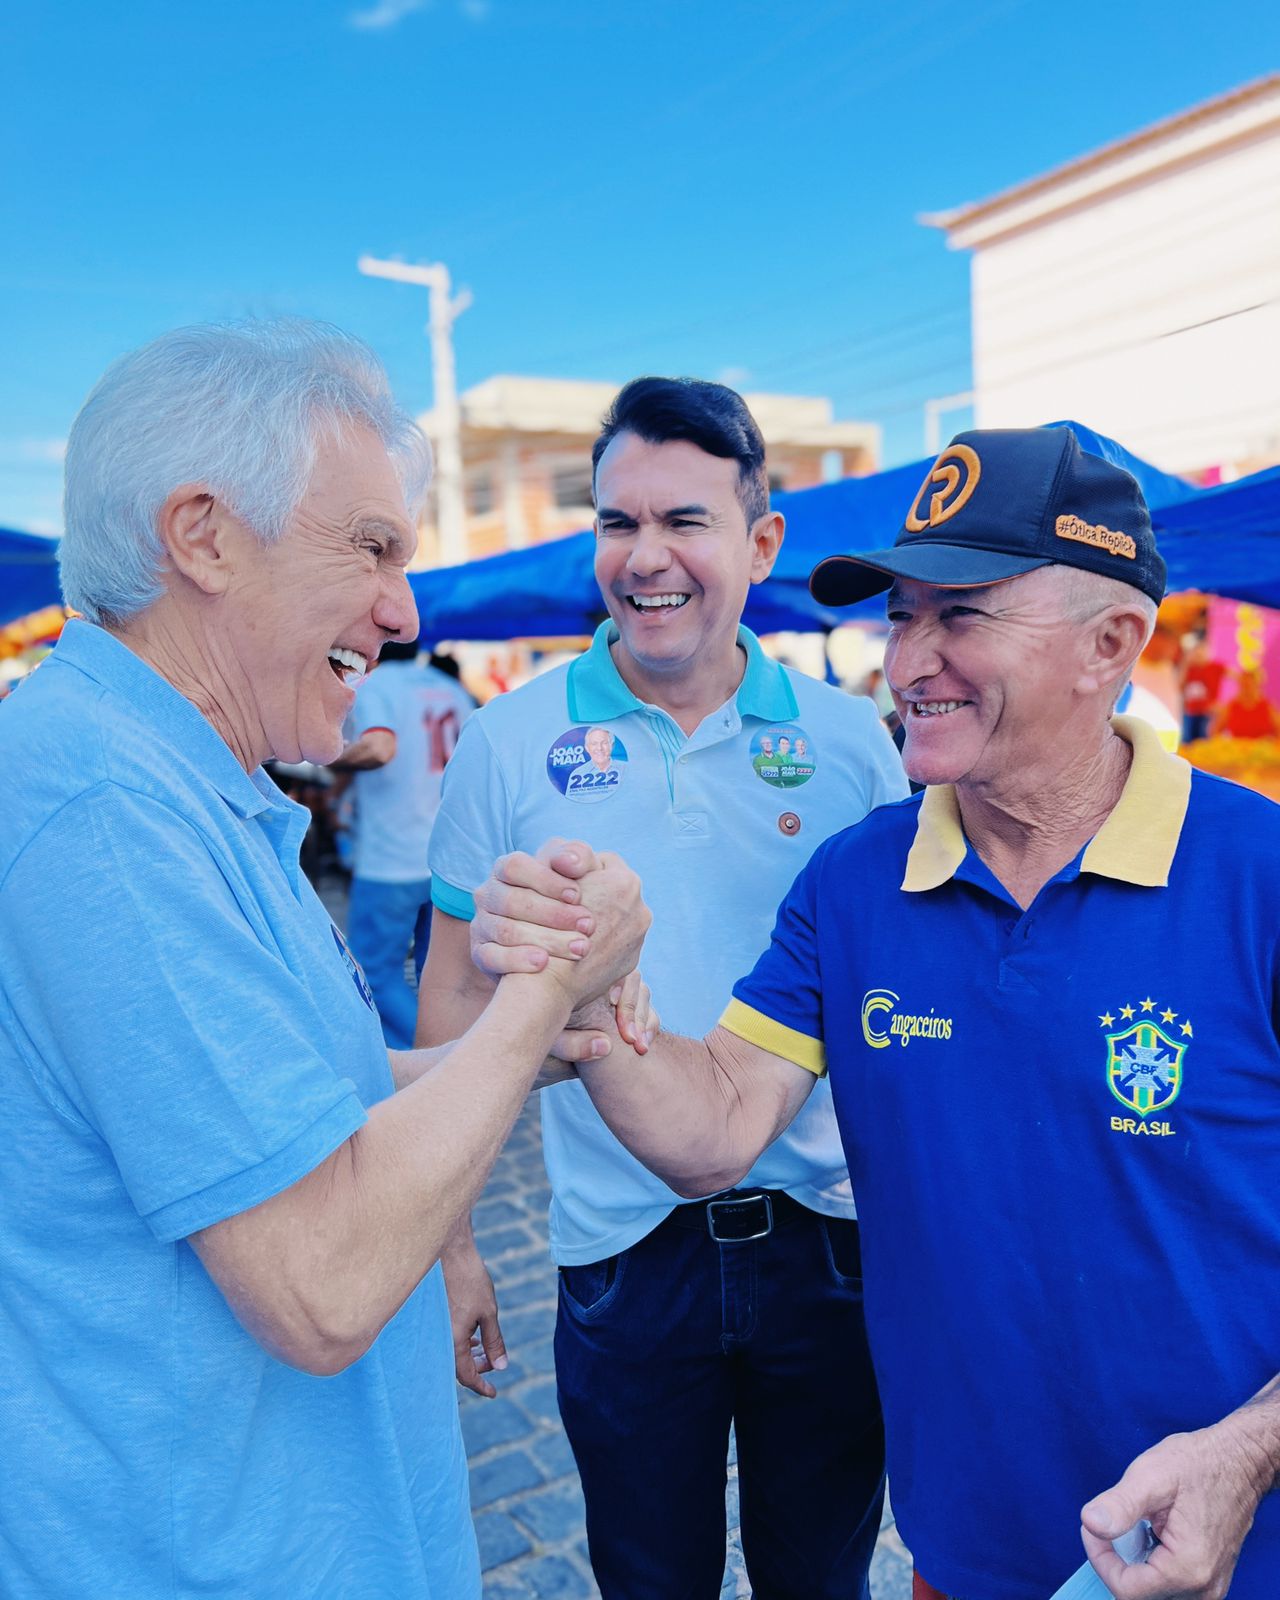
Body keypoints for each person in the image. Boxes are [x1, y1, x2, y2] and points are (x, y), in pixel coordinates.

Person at [473, 426, 1280, 1600]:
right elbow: (712, 1129)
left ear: (1109, 643)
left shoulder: (1255, 873)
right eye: (900, 616)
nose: (909, 662)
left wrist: (1244, 1452)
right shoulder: (855, 881)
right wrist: (589, 993)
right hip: (962, 1560)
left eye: (962, 613)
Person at [0, 318, 649, 1600]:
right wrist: (537, 991)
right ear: (203, 536)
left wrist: (529, 1046)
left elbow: (313, 1100)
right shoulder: (106, 810)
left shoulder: (187, 783)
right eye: (370, 547)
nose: (403, 610)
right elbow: (323, 1279)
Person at [418, 376, 907, 1599]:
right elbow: (447, 1002)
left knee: (822, 1580)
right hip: (620, 1255)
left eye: (682, 521)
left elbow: (898, 1004)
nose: (644, 559)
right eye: (613, 521)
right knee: (646, 1580)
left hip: (829, 1250)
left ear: (758, 541)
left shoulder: (853, 745)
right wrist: (450, 1244)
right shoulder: (506, 742)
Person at [331, 636, 476, 1047]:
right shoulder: (450, 689)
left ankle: (431, 1059)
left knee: (375, 971)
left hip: (391, 855)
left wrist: (324, 756)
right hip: (449, 855)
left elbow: (379, 747)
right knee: (440, 978)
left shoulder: (375, 687)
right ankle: (450, 1057)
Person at [1211, 667, 1280, 740]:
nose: (1247, 689)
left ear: (1258, 685)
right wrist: (1221, 745)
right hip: (1238, 749)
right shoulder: (1231, 706)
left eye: (1250, 685)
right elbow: (1215, 730)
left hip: (1262, 748)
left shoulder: (1268, 707)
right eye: (1243, 685)